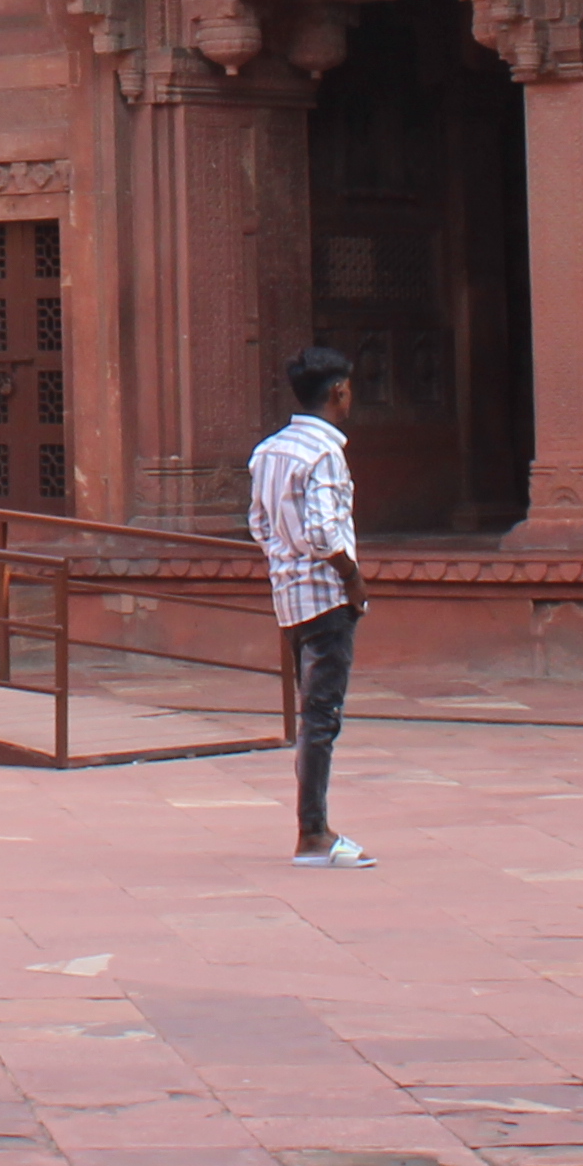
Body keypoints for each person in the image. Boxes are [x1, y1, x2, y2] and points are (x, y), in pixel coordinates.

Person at [248, 344, 370, 867]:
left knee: (313, 714)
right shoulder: (324, 453)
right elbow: (324, 532)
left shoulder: (270, 451)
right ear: (339, 390)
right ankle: (313, 834)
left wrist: (287, 561)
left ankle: (313, 829)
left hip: (290, 597)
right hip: (325, 598)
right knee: (322, 716)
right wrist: (353, 578)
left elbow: (258, 524)